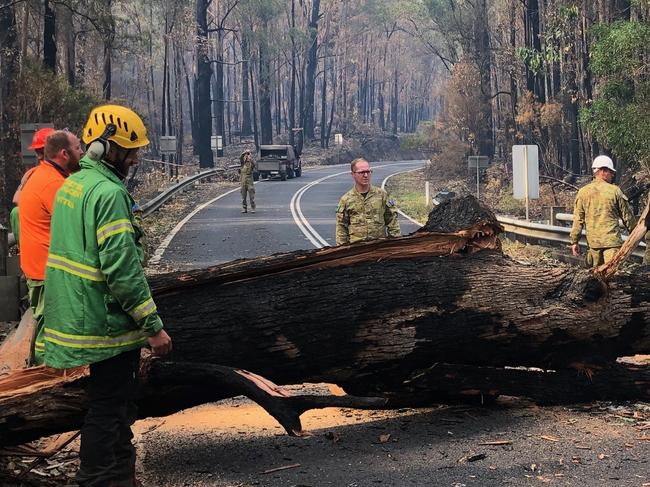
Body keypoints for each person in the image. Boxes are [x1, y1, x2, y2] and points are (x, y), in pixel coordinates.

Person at [43, 104, 172, 487]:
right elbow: (121, 270)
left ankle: (119, 476)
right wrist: (152, 326)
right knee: (109, 407)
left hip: (77, 314)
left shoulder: (74, 185)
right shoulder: (109, 194)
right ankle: (98, 480)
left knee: (115, 406)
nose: (134, 158)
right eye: (129, 151)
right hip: (104, 323)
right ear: (103, 149)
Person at [18, 130, 83, 364]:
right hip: (48, 270)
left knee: (48, 322)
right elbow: (74, 225)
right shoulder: (53, 184)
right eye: (78, 148)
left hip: (40, 266)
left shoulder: (42, 175)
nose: (82, 152)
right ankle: (44, 376)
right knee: (51, 326)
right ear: (64, 154)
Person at [570, 155, 636, 267]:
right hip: (612, 244)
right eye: (611, 172)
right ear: (603, 171)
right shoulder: (615, 191)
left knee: (595, 278)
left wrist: (574, 241)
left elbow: (578, 221)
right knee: (614, 277)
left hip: (593, 245)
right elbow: (628, 218)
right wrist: (636, 234)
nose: (612, 175)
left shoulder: (583, 192)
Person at [336, 158, 400, 245]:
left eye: (368, 172)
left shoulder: (381, 195)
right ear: (353, 174)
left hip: (379, 246)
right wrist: (341, 250)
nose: (366, 175)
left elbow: (392, 221)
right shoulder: (346, 199)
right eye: (361, 172)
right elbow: (341, 227)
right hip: (356, 249)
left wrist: (395, 244)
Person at [10, 127, 56, 247]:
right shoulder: (31, 174)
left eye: (39, 150)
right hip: (41, 231)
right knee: (16, 212)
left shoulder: (64, 174)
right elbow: (16, 199)